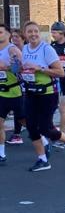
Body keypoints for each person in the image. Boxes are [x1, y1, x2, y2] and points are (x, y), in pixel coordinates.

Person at [21, 21, 65, 171]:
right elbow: (26, 68)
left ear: (39, 33)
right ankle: (43, 160)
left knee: (46, 128)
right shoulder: (25, 49)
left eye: (35, 31)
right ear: (25, 34)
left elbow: (60, 72)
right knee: (31, 128)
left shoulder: (47, 49)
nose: (33, 34)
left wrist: (40, 68)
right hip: (31, 92)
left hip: (48, 94)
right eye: (29, 32)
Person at [0, 22, 23, 164]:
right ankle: (1, 153)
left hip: (14, 91)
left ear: (8, 34)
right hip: (1, 93)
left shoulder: (12, 49)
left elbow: (19, 68)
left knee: (24, 121)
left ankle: (43, 141)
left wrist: (6, 67)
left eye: (1, 32)